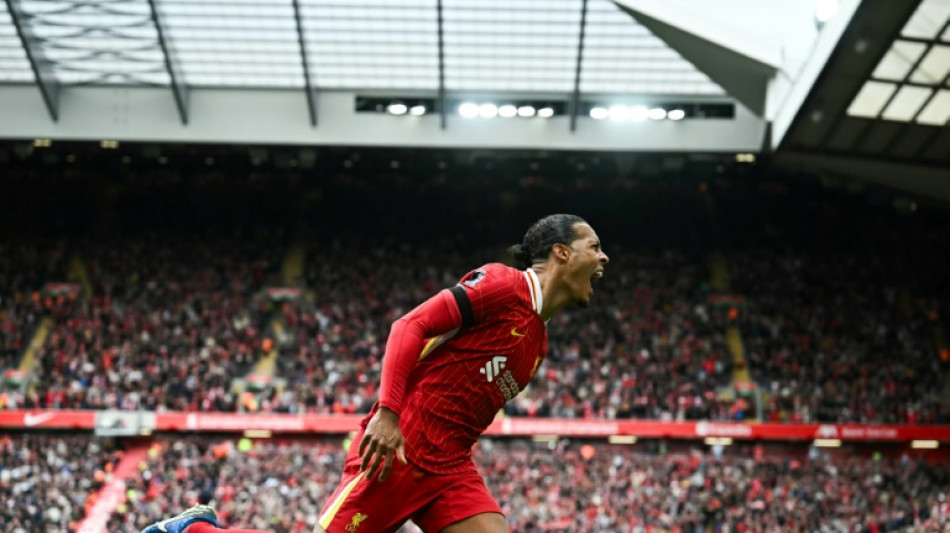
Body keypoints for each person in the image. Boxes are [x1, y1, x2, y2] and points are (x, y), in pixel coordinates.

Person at [143, 214, 608, 533]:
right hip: (401, 451)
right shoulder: (504, 285)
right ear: (562, 253)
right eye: (595, 246)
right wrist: (387, 416)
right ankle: (194, 528)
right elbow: (410, 326)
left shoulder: (538, 343)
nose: (604, 258)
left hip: (451, 466)